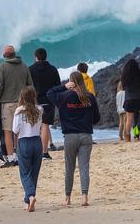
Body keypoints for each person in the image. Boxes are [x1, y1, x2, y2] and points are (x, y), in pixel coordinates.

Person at [47, 72, 100, 207]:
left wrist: (63, 87)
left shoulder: (64, 96)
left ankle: (68, 198)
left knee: (69, 168)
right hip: (86, 135)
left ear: (71, 82)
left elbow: (49, 93)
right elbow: (97, 118)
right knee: (84, 167)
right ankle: (84, 197)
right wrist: (87, 121)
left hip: (70, 136)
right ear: (82, 81)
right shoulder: (90, 97)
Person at [0, 45, 33, 168]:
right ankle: (21, 155)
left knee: (7, 131)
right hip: (23, 102)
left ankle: (11, 158)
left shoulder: (1, 68)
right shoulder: (24, 66)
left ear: (4, 55)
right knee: (21, 131)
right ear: (15, 54)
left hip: (8, 103)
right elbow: (30, 85)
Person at [13, 86, 43, 212]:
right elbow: (40, 126)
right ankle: (28, 201)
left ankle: (30, 196)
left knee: (25, 172)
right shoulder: (39, 109)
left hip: (24, 141)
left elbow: (15, 130)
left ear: (22, 97)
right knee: (34, 172)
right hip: (37, 141)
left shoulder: (19, 110)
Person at [29, 47, 61, 160]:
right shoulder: (52, 69)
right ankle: (44, 152)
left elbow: (27, 86)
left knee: (34, 126)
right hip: (48, 100)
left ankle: (35, 152)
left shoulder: (30, 69)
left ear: (36, 57)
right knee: (45, 125)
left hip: (34, 101)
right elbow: (58, 86)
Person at [121, 59, 140, 141]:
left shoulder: (124, 77)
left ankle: (127, 136)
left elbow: (123, 87)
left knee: (129, 119)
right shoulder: (139, 75)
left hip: (129, 99)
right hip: (139, 97)